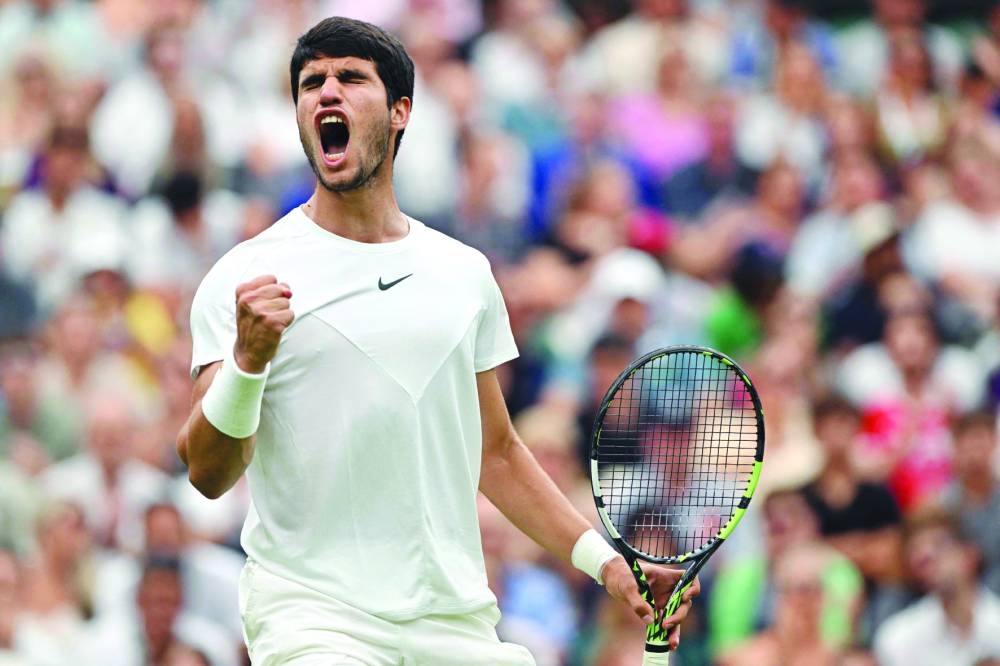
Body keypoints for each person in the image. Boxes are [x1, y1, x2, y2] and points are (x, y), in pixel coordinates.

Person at [176, 17, 698, 665]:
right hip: (314, 618)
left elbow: (498, 453)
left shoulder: (463, 274)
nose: (326, 93)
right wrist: (249, 362)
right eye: (312, 83)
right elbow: (207, 472)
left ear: (401, 112)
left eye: (350, 78)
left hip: (451, 621)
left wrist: (610, 567)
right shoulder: (242, 277)